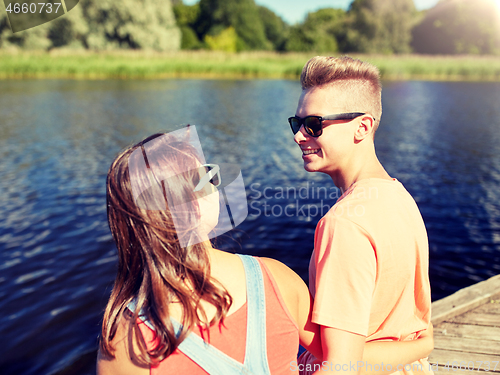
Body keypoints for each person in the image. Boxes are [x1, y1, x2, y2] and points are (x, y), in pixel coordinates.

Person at [97, 130, 433, 375]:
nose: (216, 182)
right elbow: (343, 360)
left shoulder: (125, 334)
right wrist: (419, 345)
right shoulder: (276, 279)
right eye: (206, 176)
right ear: (195, 206)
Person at [290, 56, 433, 375]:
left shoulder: (344, 224)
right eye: (296, 123)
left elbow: (341, 367)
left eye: (313, 124)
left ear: (362, 127)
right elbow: (421, 332)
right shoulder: (400, 196)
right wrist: (422, 345)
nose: (299, 136)